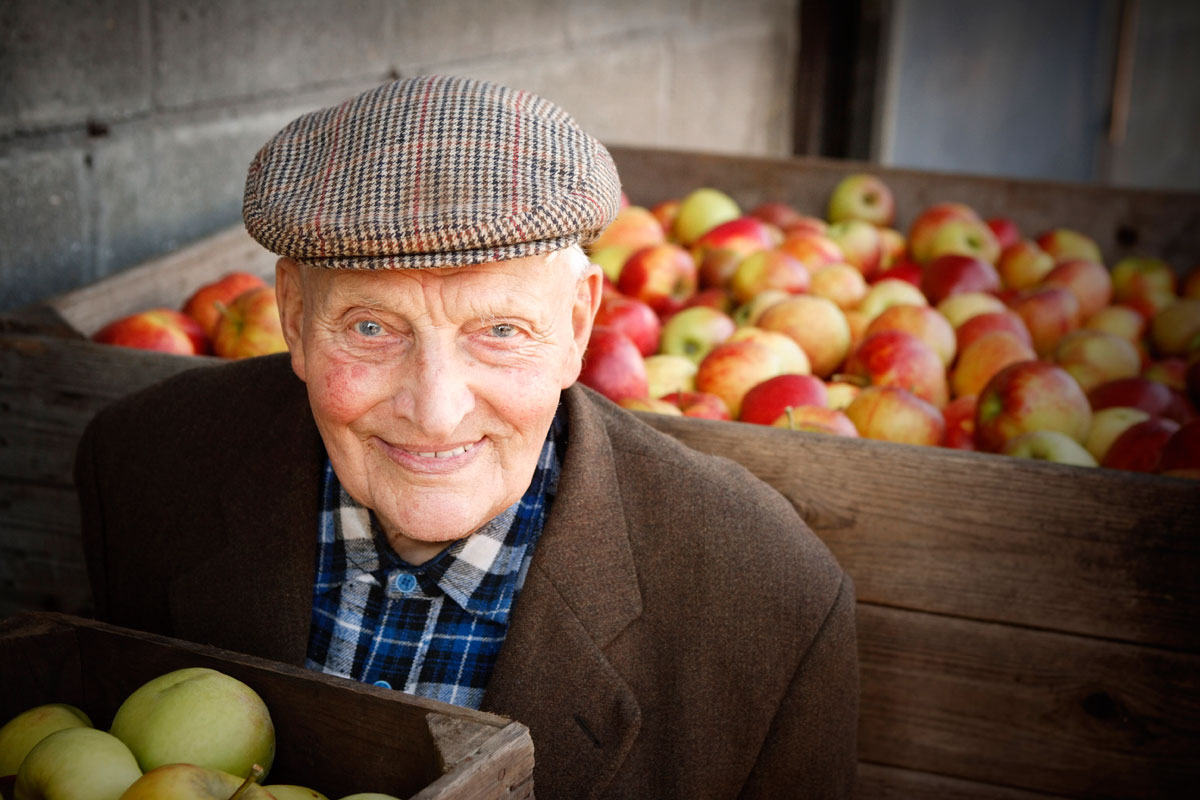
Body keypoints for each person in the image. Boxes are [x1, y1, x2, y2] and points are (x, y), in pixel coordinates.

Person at [75, 75, 858, 798]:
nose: (437, 410)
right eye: (373, 327)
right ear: (292, 317)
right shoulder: (142, 467)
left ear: (578, 323)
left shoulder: (765, 597)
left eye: (502, 329)